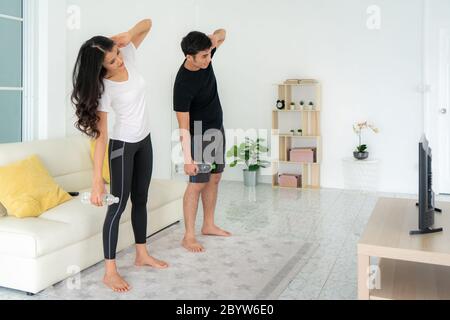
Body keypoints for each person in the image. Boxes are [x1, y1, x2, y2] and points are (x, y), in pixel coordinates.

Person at [71, 19, 168, 293]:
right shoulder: (103, 88)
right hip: (122, 147)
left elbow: (148, 24)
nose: (119, 61)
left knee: (141, 199)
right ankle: (110, 271)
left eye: (116, 55)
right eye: (112, 61)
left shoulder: (128, 56)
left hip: (144, 141)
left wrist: (122, 38)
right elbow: (101, 135)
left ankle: (142, 254)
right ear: (101, 68)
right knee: (118, 206)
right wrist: (96, 181)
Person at [173, 29, 232, 253]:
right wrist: (188, 159)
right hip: (198, 133)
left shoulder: (204, 54)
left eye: (210, 54)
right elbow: (183, 127)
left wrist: (213, 39)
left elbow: (222, 33)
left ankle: (208, 225)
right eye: (204, 56)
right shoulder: (183, 85)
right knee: (197, 183)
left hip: (216, 128)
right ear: (189, 57)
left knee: (215, 178)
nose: (209, 59)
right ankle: (188, 236)